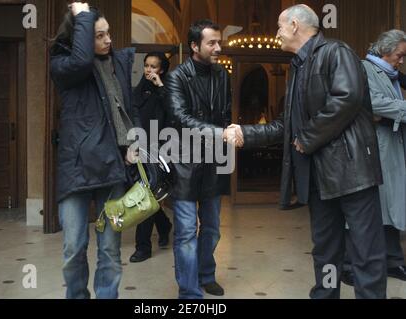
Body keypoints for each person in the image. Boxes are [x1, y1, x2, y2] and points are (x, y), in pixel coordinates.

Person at [224, 4, 387, 299]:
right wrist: (245, 133)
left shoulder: (336, 52)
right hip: (319, 179)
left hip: (352, 173)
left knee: (366, 253)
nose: (276, 34)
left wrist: (307, 138)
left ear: (295, 26)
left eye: (278, 27)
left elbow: (347, 99)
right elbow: (286, 126)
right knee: (326, 251)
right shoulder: (297, 67)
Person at [50, 2, 139, 299]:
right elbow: (80, 62)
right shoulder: (64, 66)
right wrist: (83, 15)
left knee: (110, 249)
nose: (108, 40)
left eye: (109, 34)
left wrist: (131, 143)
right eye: (98, 36)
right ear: (81, 38)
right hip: (75, 168)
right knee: (73, 248)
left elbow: (127, 108)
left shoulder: (119, 62)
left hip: (112, 166)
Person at [164, 19, 231, 299]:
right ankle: (190, 293)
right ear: (194, 46)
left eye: (219, 41)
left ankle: (206, 274)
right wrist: (220, 133)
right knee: (186, 233)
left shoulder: (222, 75)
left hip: (215, 161)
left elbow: (225, 112)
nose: (218, 47)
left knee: (213, 229)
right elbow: (180, 119)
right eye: (211, 42)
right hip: (185, 164)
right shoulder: (177, 77)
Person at [341, 30, 406, 285]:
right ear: (385, 50)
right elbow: (371, 103)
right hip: (372, 150)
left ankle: (393, 261)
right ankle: (348, 264)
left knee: (393, 207)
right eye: (399, 55)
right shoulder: (363, 68)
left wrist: (392, 112)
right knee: (365, 211)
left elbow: (383, 109)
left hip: (391, 147)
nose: (401, 61)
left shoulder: (392, 76)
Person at [129, 52, 172, 263]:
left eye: (153, 66)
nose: (148, 70)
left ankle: (142, 247)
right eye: (146, 65)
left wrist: (161, 86)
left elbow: (173, 114)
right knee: (146, 195)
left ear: (161, 70)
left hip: (158, 151)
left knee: (146, 196)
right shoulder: (138, 91)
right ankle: (164, 225)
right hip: (139, 149)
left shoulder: (166, 91)